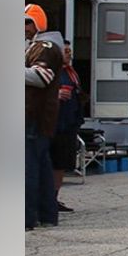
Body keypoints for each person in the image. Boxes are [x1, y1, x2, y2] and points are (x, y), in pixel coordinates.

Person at [25, 4, 64, 230]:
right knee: (40, 167)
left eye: (27, 22)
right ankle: (47, 215)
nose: (24, 28)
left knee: (28, 168)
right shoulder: (41, 46)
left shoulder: (45, 47)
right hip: (38, 116)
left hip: (33, 115)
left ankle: (27, 218)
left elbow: (42, 76)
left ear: (38, 23)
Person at [51, 41, 85, 212]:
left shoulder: (71, 73)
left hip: (69, 124)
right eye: (65, 51)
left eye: (70, 51)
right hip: (54, 124)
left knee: (61, 164)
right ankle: (46, 198)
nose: (69, 54)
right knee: (51, 163)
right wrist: (55, 94)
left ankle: (54, 197)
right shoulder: (51, 72)